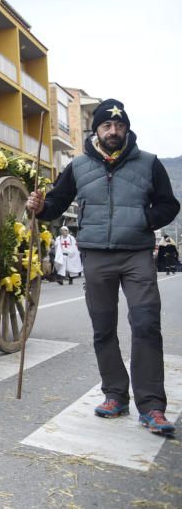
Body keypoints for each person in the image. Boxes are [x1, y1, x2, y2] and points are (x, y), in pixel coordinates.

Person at [26, 99, 180, 435]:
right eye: (107, 126)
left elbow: (170, 205)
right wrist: (39, 206)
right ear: (96, 129)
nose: (114, 131)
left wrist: (143, 220)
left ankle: (152, 407)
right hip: (96, 256)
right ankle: (115, 395)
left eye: (119, 125)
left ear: (127, 129)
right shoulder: (78, 166)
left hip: (137, 254)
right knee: (103, 327)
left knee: (146, 323)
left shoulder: (149, 163)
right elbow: (55, 204)